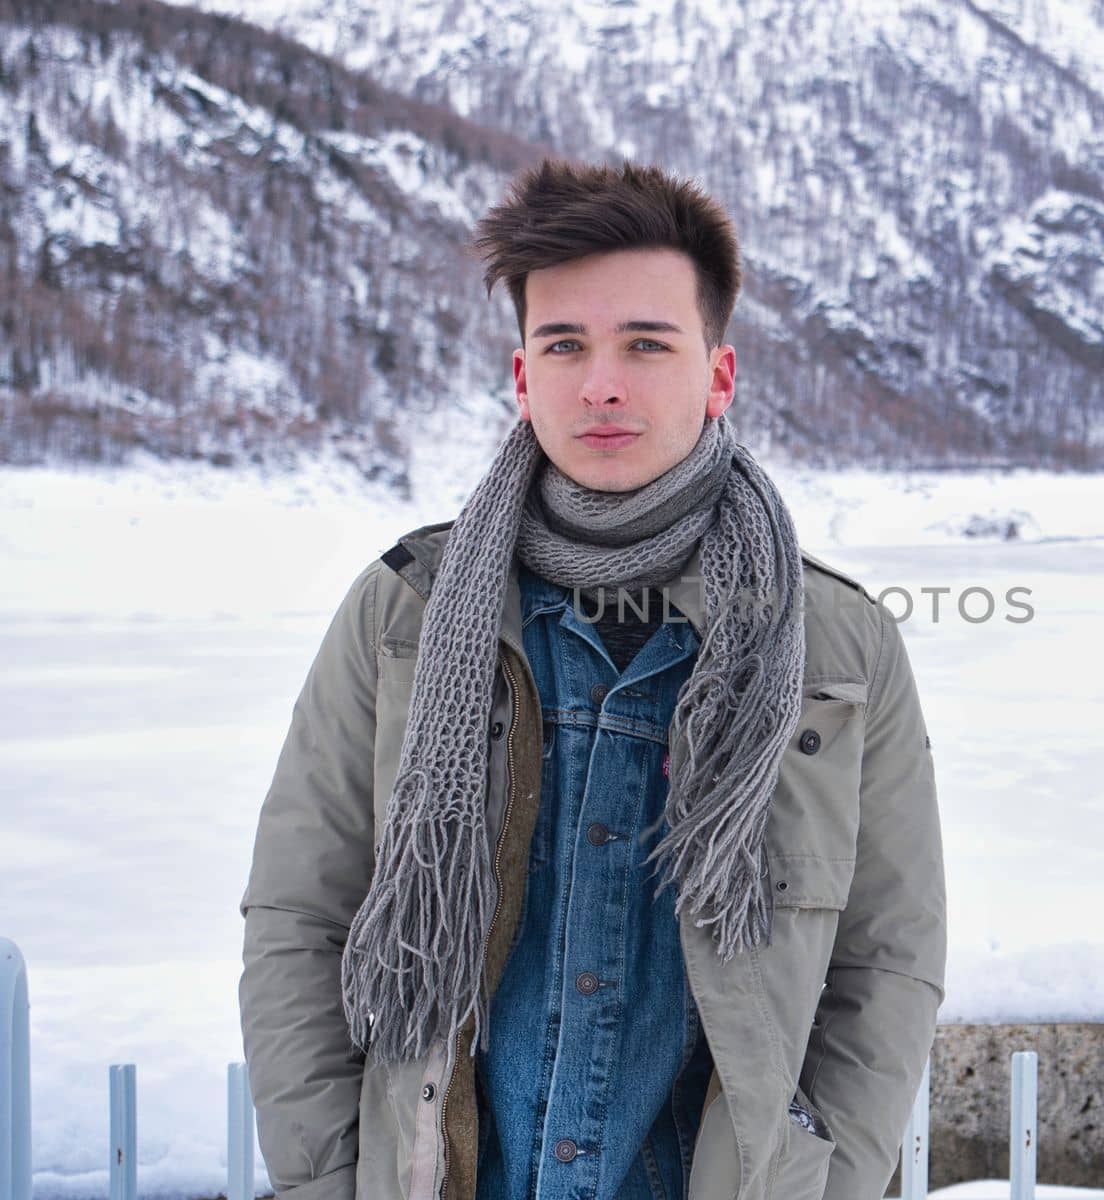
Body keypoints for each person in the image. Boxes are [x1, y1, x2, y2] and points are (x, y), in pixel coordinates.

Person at [239, 158, 946, 1200]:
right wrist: (330, 1180)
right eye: (563, 345)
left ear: (718, 374)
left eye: (646, 345)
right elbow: (303, 916)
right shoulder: (406, 611)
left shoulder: (837, 643)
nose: (601, 383)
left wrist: (822, 1178)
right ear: (522, 376)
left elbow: (888, 958)